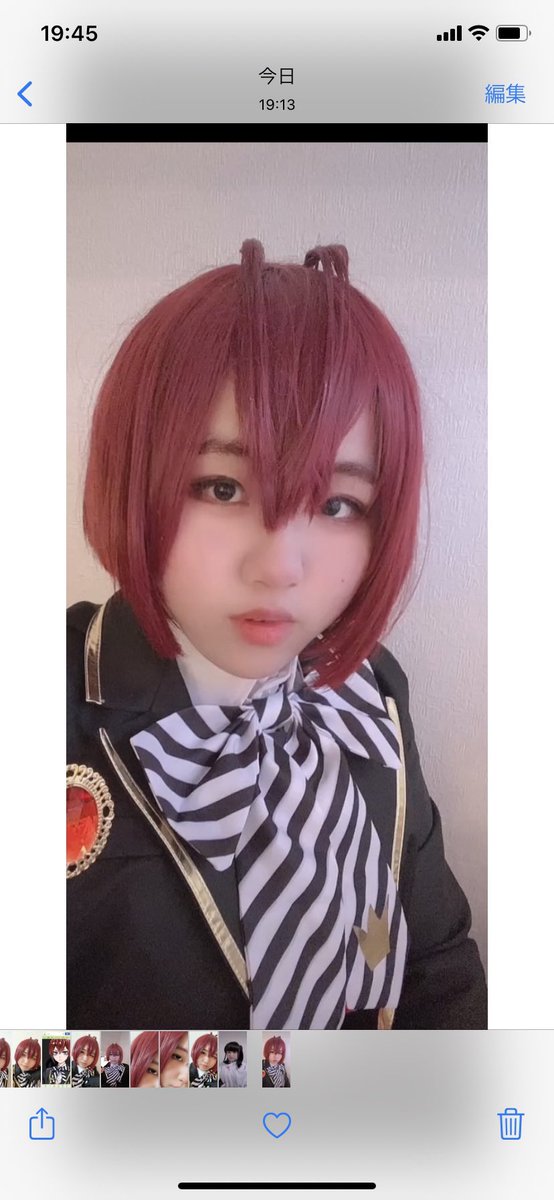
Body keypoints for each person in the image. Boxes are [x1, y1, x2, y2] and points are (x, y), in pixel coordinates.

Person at [67, 238, 487, 1031]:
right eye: (222, 488)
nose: (280, 567)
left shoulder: (369, 688)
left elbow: (435, 960)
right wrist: (200, 1083)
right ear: (134, 473)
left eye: (336, 505)